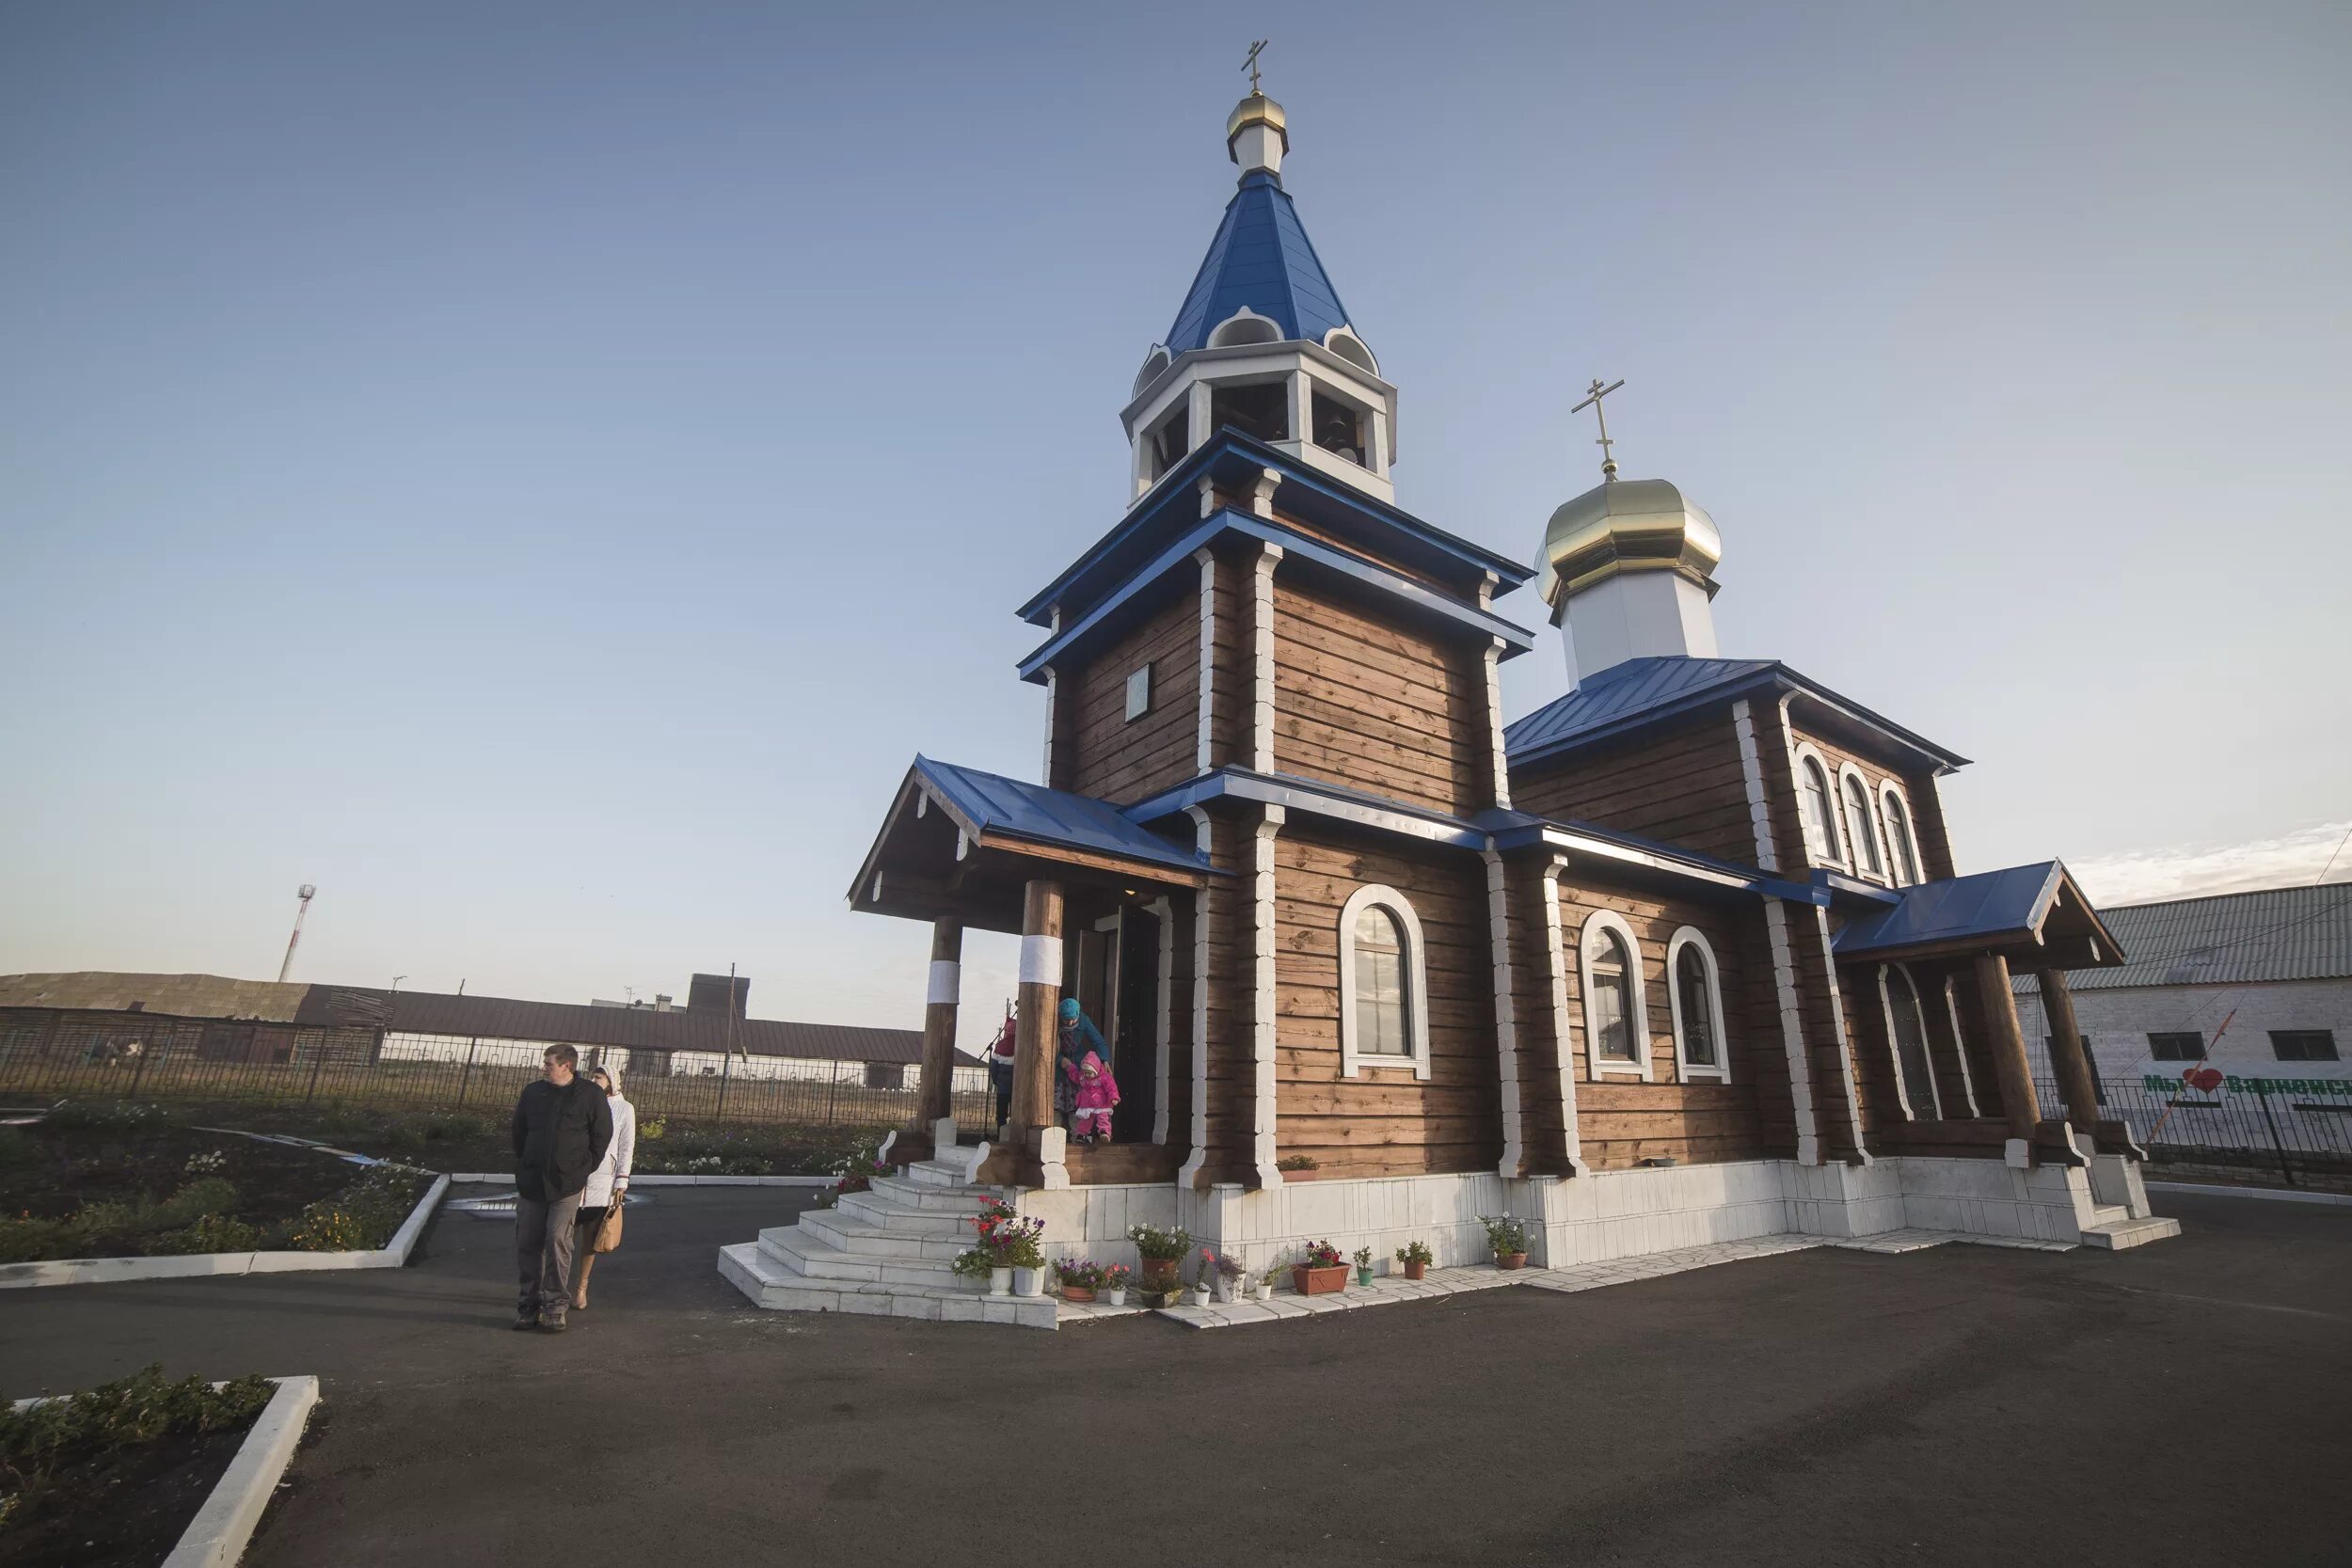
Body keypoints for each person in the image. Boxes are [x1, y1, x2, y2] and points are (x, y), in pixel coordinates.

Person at [510, 1044, 612, 1333]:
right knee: (527, 1244)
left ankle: (555, 1307)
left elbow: (602, 1135)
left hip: (566, 1184)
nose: (544, 1068)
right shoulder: (533, 1093)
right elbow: (519, 1131)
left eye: (549, 1063)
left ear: (567, 1065)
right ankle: (528, 1306)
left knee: (557, 1240)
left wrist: (583, 1168)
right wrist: (526, 1161)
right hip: (532, 1183)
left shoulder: (589, 1095)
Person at [568, 1063, 637, 1312]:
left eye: (599, 1077)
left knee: (590, 1241)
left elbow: (626, 1146)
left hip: (602, 1182)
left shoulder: (624, 1109)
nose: (594, 1080)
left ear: (611, 1081)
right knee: (563, 1239)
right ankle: (555, 1287)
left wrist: (622, 1180)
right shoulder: (584, 1102)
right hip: (574, 1180)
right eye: (593, 1076)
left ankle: (581, 1287)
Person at [1055, 998, 1107, 1132]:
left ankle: (1078, 1133)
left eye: (1073, 1019)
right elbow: (1046, 1046)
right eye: (1067, 1020)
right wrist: (1060, 1059)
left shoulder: (1083, 1021)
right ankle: (1059, 1130)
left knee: (1078, 1101)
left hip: (1077, 1067)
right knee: (1059, 1103)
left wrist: (1104, 1060)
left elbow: (1098, 1041)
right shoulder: (1054, 1023)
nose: (1071, 1023)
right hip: (1059, 1069)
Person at [1067, 1050, 1119, 1146]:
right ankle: (1081, 1135)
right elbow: (1075, 1076)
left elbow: (1111, 1087)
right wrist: (1070, 1068)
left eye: (1089, 1073)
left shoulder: (1104, 1077)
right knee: (1085, 1121)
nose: (1086, 1075)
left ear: (1096, 1070)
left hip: (1101, 1104)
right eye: (1085, 1072)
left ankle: (1105, 1133)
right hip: (1087, 1104)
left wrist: (1114, 1097)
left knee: (1103, 1118)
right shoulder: (1082, 1077)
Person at [986, 1006, 1018, 1133]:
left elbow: (993, 1067)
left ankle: (1001, 1134)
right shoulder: (1021, 1044)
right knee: (1015, 1114)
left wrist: (996, 1081)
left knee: (1001, 1114)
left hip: (1003, 1087)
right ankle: (1014, 1135)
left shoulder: (1000, 1046)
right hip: (1016, 1088)